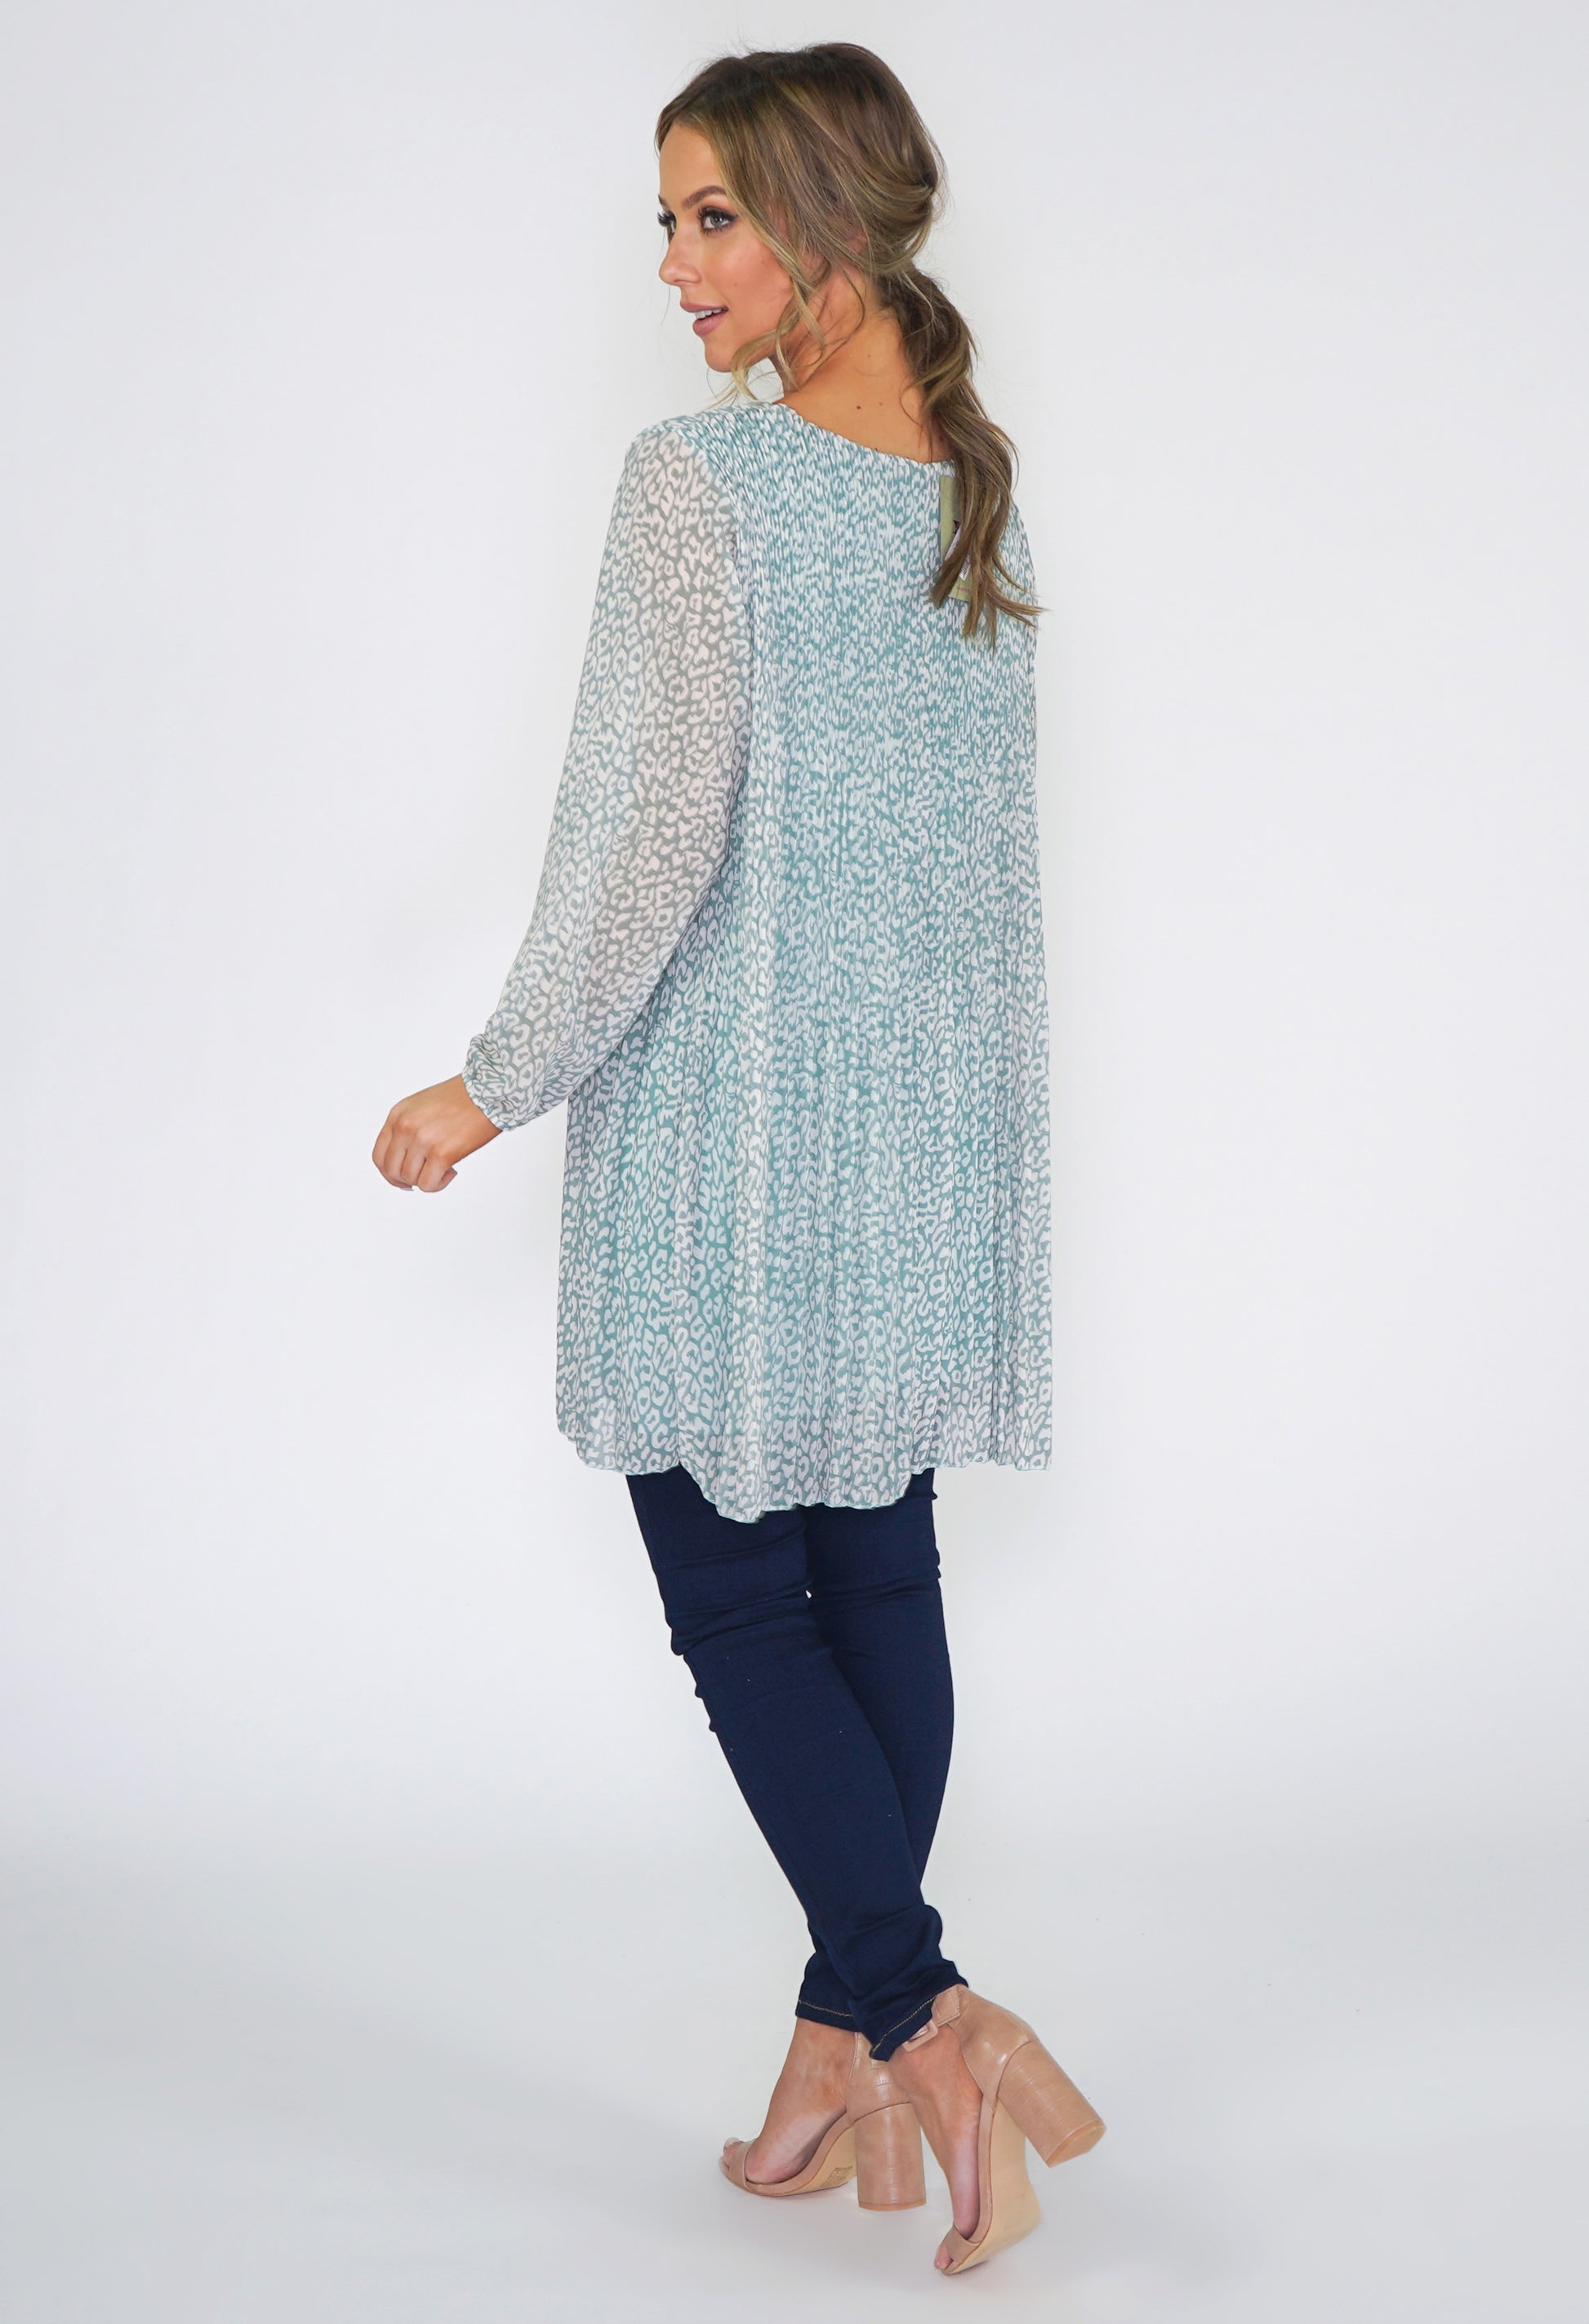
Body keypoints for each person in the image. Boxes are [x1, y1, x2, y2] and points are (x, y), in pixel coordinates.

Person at [372, 42, 1103, 2277]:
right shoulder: (970, 494)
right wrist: (970, 1159)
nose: (677, 269)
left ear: (825, 223)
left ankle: (925, 2020)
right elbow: (980, 887)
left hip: (732, 1133)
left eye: (711, 217)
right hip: (915, 1143)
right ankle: (835, 2054)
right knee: (878, 1587)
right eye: (666, 223)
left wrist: (496, 1078)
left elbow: (645, 836)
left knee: (738, 1611)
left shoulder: (703, 485)